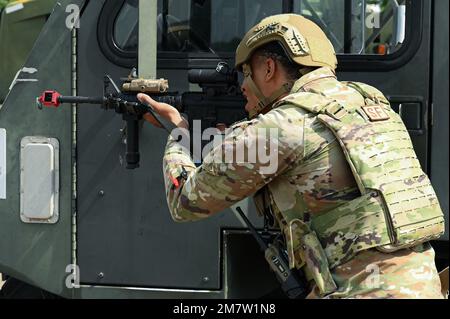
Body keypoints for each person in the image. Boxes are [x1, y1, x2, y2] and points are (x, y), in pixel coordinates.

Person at [137, 14, 445, 299]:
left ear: (268, 68)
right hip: (422, 284)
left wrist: (179, 132)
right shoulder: (370, 102)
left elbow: (185, 202)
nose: (244, 86)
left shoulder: (281, 127)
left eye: (247, 72)